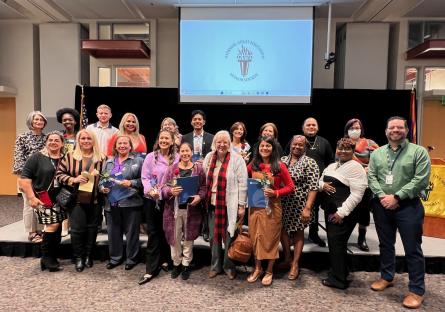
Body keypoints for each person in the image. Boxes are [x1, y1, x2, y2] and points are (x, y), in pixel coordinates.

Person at [368, 116, 431, 309]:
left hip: (408, 206)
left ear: (406, 130)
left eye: (399, 127)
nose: (395, 130)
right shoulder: (377, 153)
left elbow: (421, 180)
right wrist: (381, 196)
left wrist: (396, 197)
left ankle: (417, 290)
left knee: (412, 249)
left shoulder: (418, 152)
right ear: (386, 132)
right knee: (386, 244)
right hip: (382, 205)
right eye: (391, 127)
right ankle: (387, 276)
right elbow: (371, 176)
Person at [319, 138, 367, 290]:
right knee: (336, 244)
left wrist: (342, 213)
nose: (343, 151)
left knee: (337, 244)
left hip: (342, 213)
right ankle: (342, 271)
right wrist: (322, 185)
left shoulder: (356, 167)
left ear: (353, 151)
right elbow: (319, 181)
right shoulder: (332, 165)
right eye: (340, 148)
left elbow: (357, 194)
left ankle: (338, 280)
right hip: (330, 209)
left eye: (347, 149)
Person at [56, 129, 106, 272]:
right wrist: (73, 179)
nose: (85, 141)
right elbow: (59, 174)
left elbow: (107, 176)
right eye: (82, 138)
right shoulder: (70, 156)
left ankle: (88, 255)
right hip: (76, 200)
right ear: (78, 140)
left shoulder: (102, 157)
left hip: (95, 200)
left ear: (93, 140)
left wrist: (104, 185)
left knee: (92, 229)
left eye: (89, 138)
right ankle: (78, 257)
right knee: (77, 230)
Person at [247, 136, 294, 286]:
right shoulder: (253, 165)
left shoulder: (279, 166)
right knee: (256, 238)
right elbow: (243, 178)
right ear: (258, 148)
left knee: (271, 239)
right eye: (262, 146)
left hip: (273, 208)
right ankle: (257, 268)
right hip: (255, 207)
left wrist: (276, 193)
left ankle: (269, 271)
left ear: (273, 149)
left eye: (268, 146)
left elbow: (290, 186)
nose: (265, 148)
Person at [203, 130, 247, 280]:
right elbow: (204, 179)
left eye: (225, 142)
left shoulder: (237, 159)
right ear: (214, 143)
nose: (222, 145)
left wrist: (241, 205)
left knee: (229, 237)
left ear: (229, 144)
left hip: (230, 205)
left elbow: (243, 184)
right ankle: (215, 266)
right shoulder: (209, 158)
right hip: (212, 204)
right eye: (219, 142)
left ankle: (229, 266)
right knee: (213, 237)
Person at [19, 131, 66, 271]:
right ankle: (46, 258)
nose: (53, 142)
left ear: (62, 143)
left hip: (61, 198)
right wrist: (31, 197)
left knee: (56, 227)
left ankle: (52, 256)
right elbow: (24, 179)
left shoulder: (65, 158)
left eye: (57, 140)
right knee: (52, 226)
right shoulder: (36, 157)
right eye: (50, 140)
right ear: (46, 142)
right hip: (43, 198)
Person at [139, 130, 180, 285]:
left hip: (168, 199)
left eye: (166, 138)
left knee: (166, 231)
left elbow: (177, 177)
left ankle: (164, 260)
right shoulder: (151, 156)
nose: (164, 140)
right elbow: (145, 177)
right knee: (154, 232)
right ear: (158, 140)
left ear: (171, 141)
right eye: (161, 138)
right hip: (152, 199)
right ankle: (150, 269)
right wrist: (151, 191)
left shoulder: (176, 157)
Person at [161, 142, 206, 280]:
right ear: (179, 153)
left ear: (192, 152)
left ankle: (186, 264)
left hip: (191, 210)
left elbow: (204, 187)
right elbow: (162, 187)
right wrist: (170, 191)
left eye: (188, 151)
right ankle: (176, 263)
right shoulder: (171, 169)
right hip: (173, 210)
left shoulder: (198, 169)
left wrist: (199, 196)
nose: (185, 154)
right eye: (183, 151)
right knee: (174, 238)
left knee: (188, 238)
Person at [100, 135, 144, 271]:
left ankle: (131, 259)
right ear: (115, 146)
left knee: (132, 233)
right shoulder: (109, 162)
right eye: (119, 143)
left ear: (130, 146)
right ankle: (115, 258)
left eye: (125, 143)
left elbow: (145, 181)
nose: (122, 146)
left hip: (131, 203)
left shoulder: (138, 161)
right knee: (113, 233)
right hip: (112, 203)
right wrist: (102, 187)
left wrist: (132, 182)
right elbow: (102, 180)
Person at [280, 135, 319, 280]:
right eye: (294, 144)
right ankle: (287, 259)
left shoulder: (311, 163)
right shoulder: (282, 160)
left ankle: (295, 264)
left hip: (300, 204)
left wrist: (308, 208)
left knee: (298, 232)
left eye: (300, 145)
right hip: (283, 203)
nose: (297, 147)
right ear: (290, 145)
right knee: (282, 230)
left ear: (305, 147)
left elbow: (313, 187)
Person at [344, 118, 379, 251]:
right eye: (352, 128)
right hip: (348, 182)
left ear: (361, 129)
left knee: (364, 211)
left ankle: (361, 238)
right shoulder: (343, 143)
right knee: (348, 209)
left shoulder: (369, 143)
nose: (354, 130)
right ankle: (344, 236)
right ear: (347, 130)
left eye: (357, 128)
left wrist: (370, 167)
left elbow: (380, 158)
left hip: (366, 183)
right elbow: (338, 160)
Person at [13, 111, 48, 243]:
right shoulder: (22, 138)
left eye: (41, 120)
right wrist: (22, 179)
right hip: (27, 177)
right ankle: (31, 232)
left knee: (41, 203)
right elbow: (18, 159)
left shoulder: (46, 138)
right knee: (29, 204)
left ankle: (40, 230)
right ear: (31, 122)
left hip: (43, 177)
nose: (39, 122)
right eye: (36, 120)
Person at [181, 110, 214, 242]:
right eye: (195, 119)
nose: (197, 121)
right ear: (191, 122)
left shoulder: (211, 138)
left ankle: (205, 231)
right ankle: (189, 230)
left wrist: (205, 161)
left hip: (206, 173)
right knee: (191, 201)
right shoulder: (185, 137)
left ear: (204, 122)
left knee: (204, 200)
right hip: (189, 173)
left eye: (200, 119)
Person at [302, 117, 334, 247]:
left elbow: (331, 161)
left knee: (315, 210)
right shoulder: (298, 141)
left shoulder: (324, 142)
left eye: (313, 125)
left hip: (320, 183)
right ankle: (296, 234)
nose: (311, 127)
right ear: (303, 128)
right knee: (302, 209)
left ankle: (313, 233)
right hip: (301, 183)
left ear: (317, 127)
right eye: (308, 125)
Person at [56, 107, 80, 237]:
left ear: (75, 121)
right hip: (61, 170)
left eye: (70, 119)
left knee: (74, 200)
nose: (67, 122)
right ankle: (64, 225)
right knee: (62, 198)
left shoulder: (80, 135)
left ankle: (72, 224)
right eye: (64, 120)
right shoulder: (59, 135)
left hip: (76, 171)